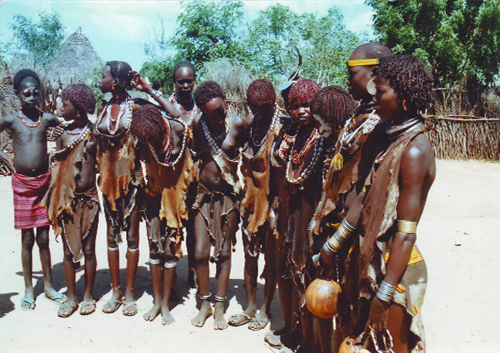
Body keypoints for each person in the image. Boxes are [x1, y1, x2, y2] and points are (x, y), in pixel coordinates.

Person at [325, 56, 435, 353]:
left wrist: (384, 294)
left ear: (404, 98)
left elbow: (406, 232)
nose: (375, 97)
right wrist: (333, 245)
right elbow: (365, 197)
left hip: (394, 270)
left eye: (382, 91)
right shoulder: (388, 138)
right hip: (371, 259)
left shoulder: (413, 151)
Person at [96, 61, 179, 316]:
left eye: (104, 76)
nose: (100, 80)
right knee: (111, 237)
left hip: (131, 182)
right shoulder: (103, 108)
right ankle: (116, 292)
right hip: (108, 182)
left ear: (116, 82)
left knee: (132, 237)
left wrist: (148, 90)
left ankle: (130, 294)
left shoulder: (137, 107)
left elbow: (173, 114)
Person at [0, 69, 66, 310]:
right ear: (18, 94)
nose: (31, 95)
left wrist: (59, 146)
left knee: (44, 238)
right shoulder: (10, 120)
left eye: (35, 92)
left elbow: (70, 128)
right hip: (22, 186)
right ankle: (29, 288)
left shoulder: (47, 119)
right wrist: (5, 159)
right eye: (26, 92)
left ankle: (48, 286)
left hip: (43, 184)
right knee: (27, 238)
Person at [190, 81, 247, 330]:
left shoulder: (238, 123)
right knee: (201, 252)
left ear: (225, 101)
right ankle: (204, 303)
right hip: (203, 196)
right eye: (210, 114)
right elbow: (194, 154)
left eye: (220, 111)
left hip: (228, 197)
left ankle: (220, 306)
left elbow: (249, 153)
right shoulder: (197, 124)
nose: (216, 117)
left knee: (224, 252)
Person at [228, 79, 283, 331]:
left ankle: (265, 308)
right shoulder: (251, 124)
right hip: (250, 200)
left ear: (273, 103)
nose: (259, 112)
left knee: (271, 258)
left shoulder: (283, 126)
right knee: (250, 255)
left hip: (273, 202)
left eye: (264, 108)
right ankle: (250, 307)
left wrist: (276, 206)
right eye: (255, 108)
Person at [42, 84, 99, 317]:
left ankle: (88, 295)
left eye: (64, 105)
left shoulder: (95, 133)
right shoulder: (63, 135)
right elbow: (57, 167)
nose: (60, 108)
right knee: (67, 251)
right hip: (67, 200)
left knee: (88, 249)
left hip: (90, 200)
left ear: (78, 109)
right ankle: (72, 297)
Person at [129, 103, 188, 325]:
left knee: (169, 251)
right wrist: (143, 186)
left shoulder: (177, 130)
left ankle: (165, 304)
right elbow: (135, 164)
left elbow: (180, 118)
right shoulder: (144, 137)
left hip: (174, 198)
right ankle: (156, 302)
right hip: (153, 198)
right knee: (154, 250)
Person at [168, 60, 199, 288]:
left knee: (194, 228)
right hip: (171, 176)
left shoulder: (203, 105)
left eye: (189, 81)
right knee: (171, 223)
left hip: (198, 176)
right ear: (174, 83)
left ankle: (193, 272)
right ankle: (171, 274)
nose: (186, 85)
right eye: (181, 82)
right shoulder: (164, 106)